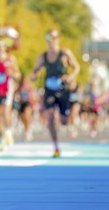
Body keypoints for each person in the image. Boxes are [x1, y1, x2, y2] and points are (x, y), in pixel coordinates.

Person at [30, 29, 80, 158]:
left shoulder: (64, 53)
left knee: (64, 121)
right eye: (48, 37)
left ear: (58, 38)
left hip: (63, 90)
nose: (50, 40)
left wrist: (71, 76)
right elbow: (36, 70)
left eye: (53, 37)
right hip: (49, 90)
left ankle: (68, 123)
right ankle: (56, 146)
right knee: (51, 117)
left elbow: (76, 67)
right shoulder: (43, 56)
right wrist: (34, 76)